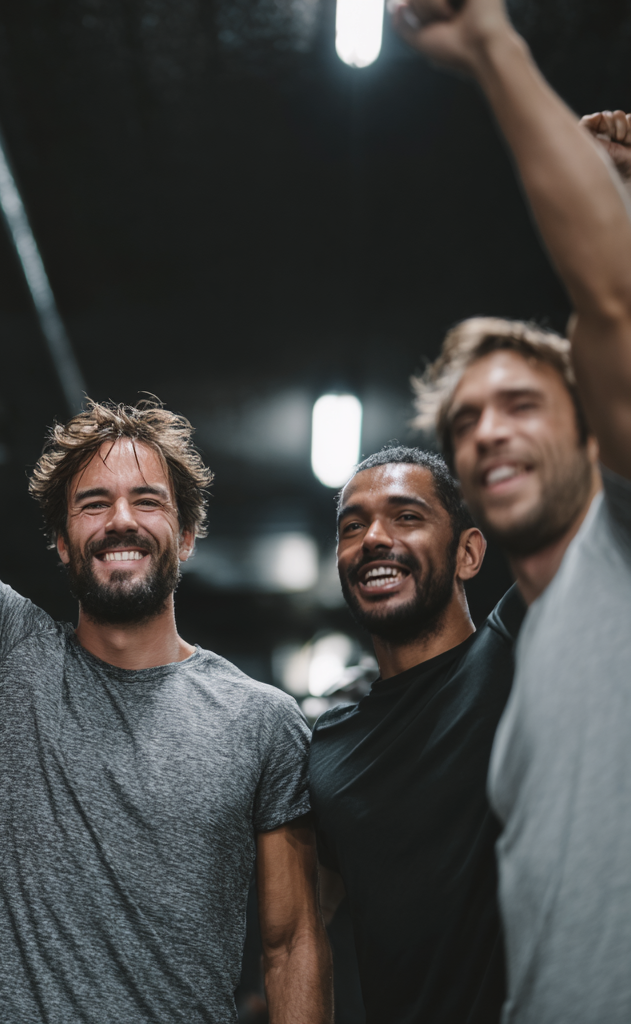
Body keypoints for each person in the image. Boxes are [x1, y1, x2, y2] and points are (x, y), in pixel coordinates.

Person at [0, 153, 332, 1024]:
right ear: (63, 543)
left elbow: (291, 943)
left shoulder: (262, 722)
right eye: (94, 503)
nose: (120, 520)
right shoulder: (8, 661)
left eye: (148, 501)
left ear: (187, 535)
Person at [394, 1, 631, 1020]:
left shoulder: (618, 549)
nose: (488, 431)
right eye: (466, 421)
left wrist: (492, 45)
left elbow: (614, 303)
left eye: (522, 405)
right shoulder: (535, 651)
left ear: (592, 431)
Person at [309, 446, 523, 1024]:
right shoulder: (328, 748)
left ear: (468, 553)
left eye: (406, 517)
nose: (374, 538)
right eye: (352, 527)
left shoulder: (517, 653)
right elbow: (309, 920)